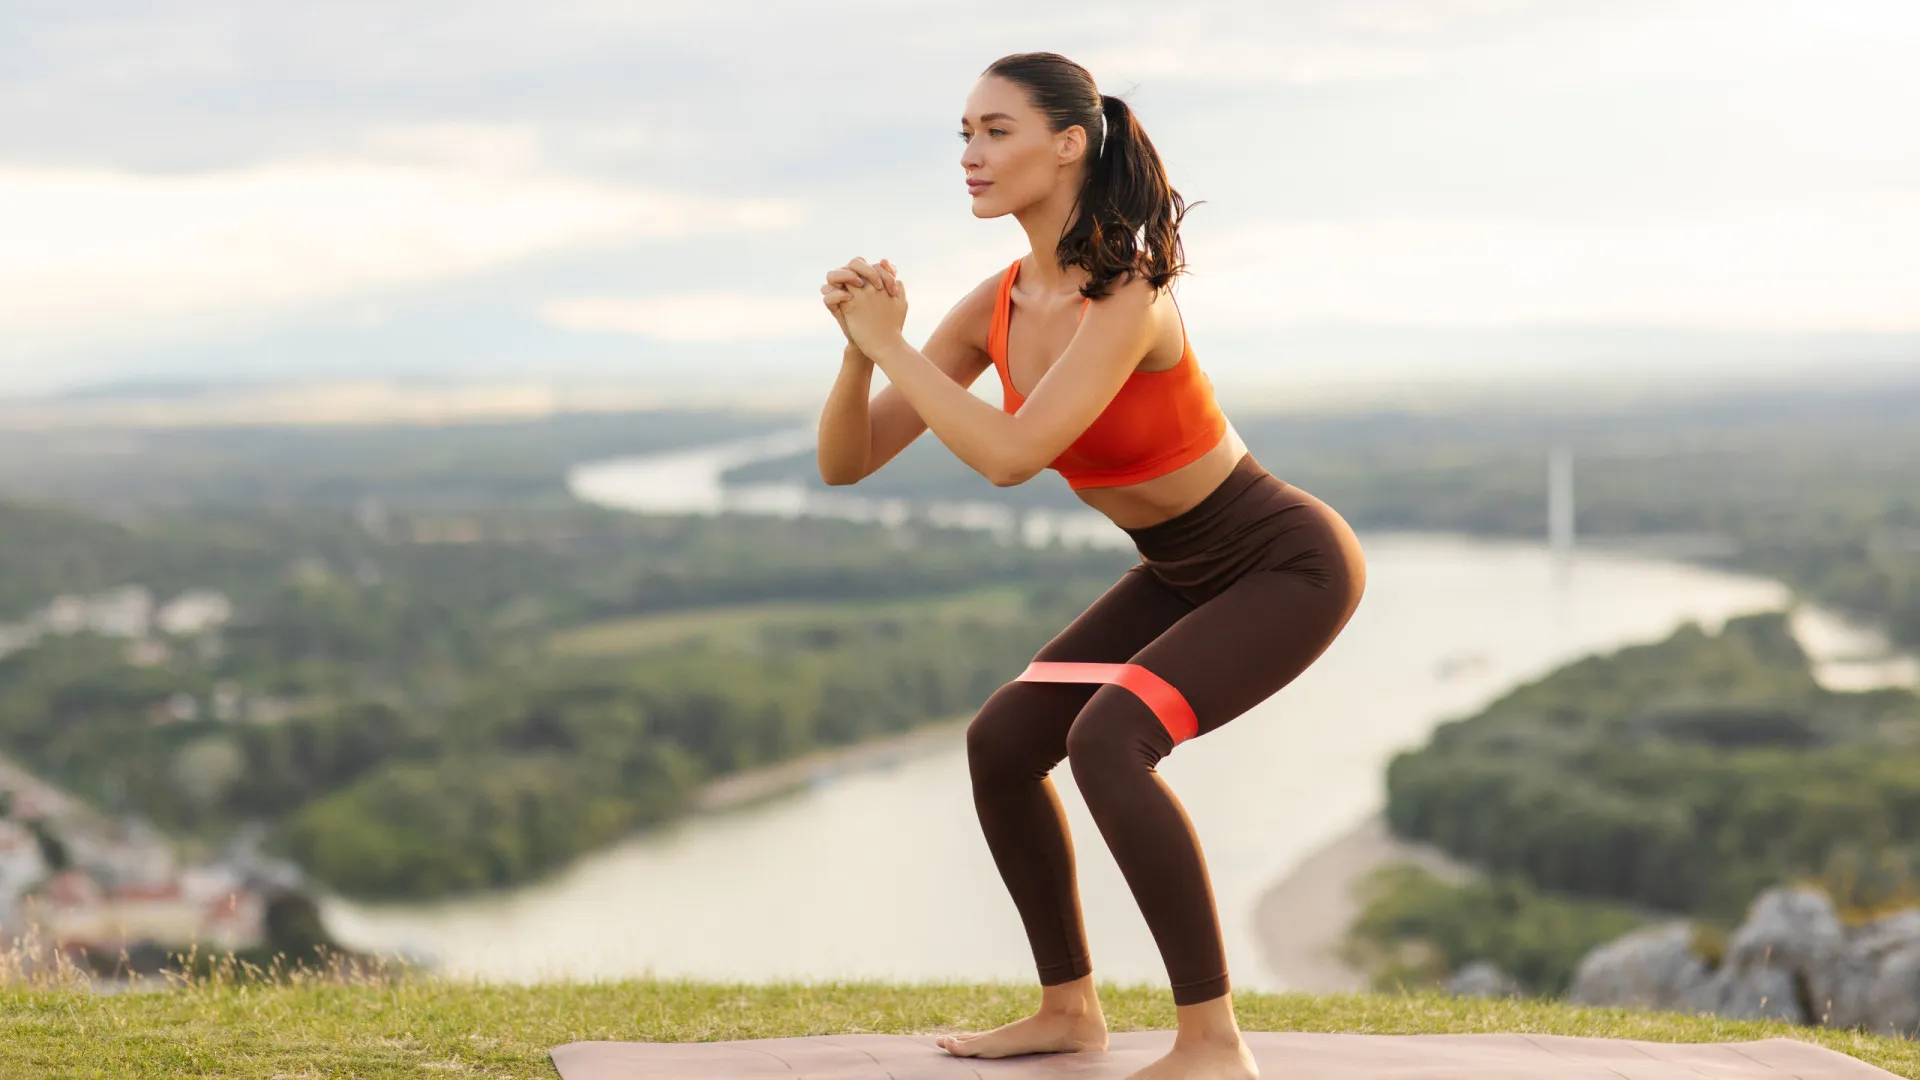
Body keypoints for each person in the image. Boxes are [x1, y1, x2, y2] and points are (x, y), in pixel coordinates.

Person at [816, 51, 1366, 1080]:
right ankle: (1069, 1011)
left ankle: (1213, 1044)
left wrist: (892, 347)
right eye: (965, 135)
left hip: (1282, 561)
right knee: (1003, 743)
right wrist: (859, 349)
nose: (972, 154)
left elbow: (1011, 456)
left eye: (997, 131)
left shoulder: (1128, 291)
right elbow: (847, 462)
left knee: (1110, 739)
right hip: (1178, 568)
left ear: (1069, 143)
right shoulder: (997, 303)